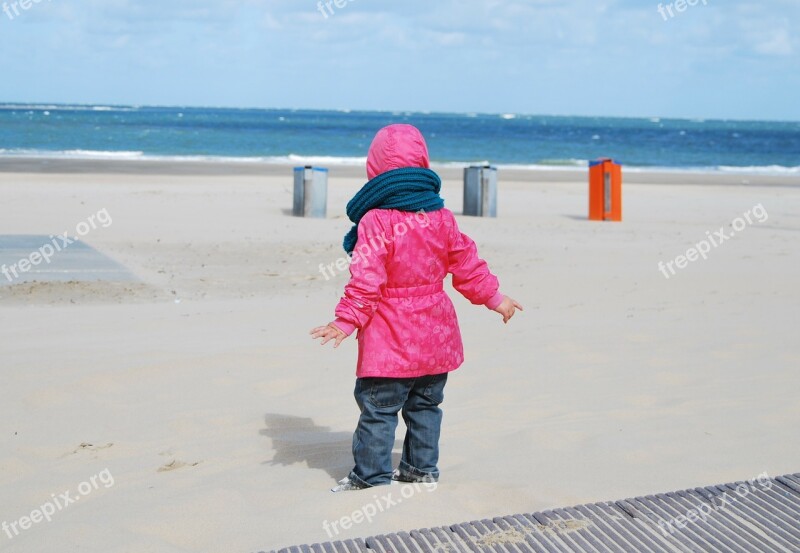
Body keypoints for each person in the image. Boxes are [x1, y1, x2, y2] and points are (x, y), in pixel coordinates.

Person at [310, 124, 522, 492]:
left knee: (379, 410)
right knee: (425, 407)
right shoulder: (440, 216)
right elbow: (467, 264)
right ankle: (421, 471)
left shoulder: (375, 220)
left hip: (389, 339)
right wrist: (495, 298)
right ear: (423, 163)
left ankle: (371, 477)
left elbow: (367, 280)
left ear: (374, 169)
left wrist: (345, 321)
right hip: (435, 336)